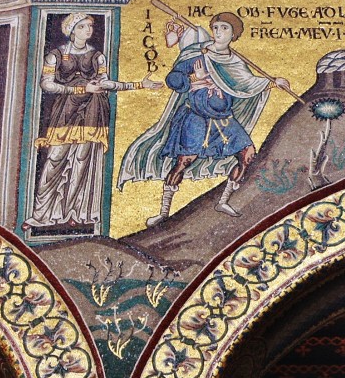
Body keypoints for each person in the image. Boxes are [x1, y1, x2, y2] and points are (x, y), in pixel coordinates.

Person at [117, 12, 290, 226]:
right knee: (184, 162)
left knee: (247, 155)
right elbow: (173, 79)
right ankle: (163, 212)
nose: (218, 32)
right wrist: (193, 78)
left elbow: (247, 83)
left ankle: (224, 201)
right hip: (196, 116)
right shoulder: (197, 54)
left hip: (223, 118)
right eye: (215, 28)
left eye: (224, 28)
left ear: (234, 34)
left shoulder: (234, 61)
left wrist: (274, 83)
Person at [24, 13, 161, 231]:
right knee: (55, 159)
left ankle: (74, 213)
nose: (88, 30)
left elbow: (106, 84)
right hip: (65, 111)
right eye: (82, 26)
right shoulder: (56, 55)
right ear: (71, 30)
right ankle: (41, 214)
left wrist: (138, 85)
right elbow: (46, 84)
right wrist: (78, 89)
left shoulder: (97, 56)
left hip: (93, 112)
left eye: (89, 26)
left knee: (82, 161)